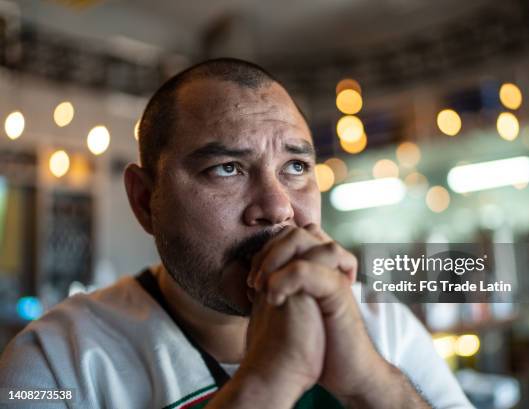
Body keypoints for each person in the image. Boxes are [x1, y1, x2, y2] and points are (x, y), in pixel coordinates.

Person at [0, 58, 472, 408]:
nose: (277, 207)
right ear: (146, 201)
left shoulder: (380, 326)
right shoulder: (55, 363)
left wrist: (374, 384)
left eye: (295, 166)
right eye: (226, 168)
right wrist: (265, 384)